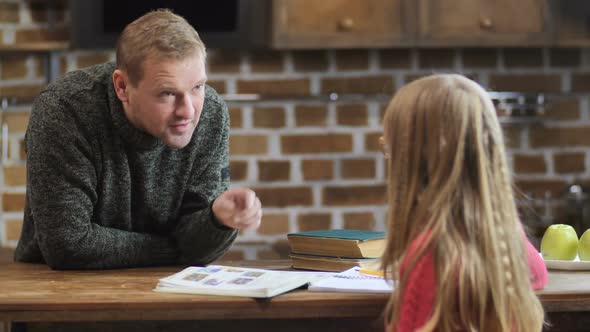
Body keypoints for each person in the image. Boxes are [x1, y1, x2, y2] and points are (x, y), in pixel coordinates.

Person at [14, 9, 262, 270]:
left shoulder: (211, 114)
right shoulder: (64, 110)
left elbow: (198, 248)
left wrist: (217, 220)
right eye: (167, 93)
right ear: (122, 87)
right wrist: (177, 247)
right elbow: (67, 244)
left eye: (197, 87)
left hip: (168, 285)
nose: (188, 111)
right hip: (56, 288)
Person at [379, 74, 547, 331]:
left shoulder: (432, 258)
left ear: (413, 163)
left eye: (388, 150)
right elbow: (539, 272)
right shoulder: (508, 242)